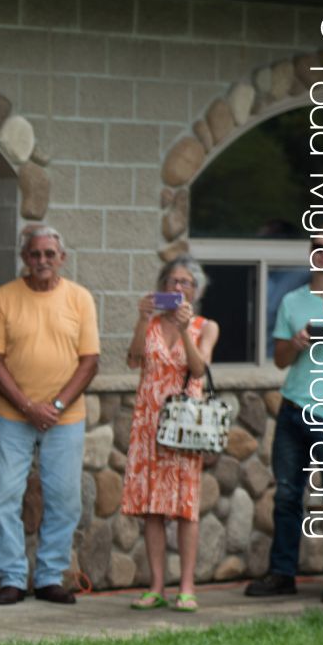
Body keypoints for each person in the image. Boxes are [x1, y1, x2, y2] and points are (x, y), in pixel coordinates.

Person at [246, 230, 323, 603]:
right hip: (293, 409)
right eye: (319, 249)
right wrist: (298, 343)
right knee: (286, 495)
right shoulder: (293, 300)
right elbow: (280, 359)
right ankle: (282, 573)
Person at [0, 226, 100, 606]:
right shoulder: (3, 298)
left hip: (64, 419)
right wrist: (29, 407)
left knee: (65, 499)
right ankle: (12, 577)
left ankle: (49, 576)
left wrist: (56, 406)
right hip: (10, 416)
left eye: (50, 254)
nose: (42, 261)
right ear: (25, 259)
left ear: (62, 258)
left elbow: (90, 361)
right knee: (4, 497)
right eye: (35, 254)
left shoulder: (80, 299)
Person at [123, 258, 220, 611]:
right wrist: (141, 318)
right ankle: (156, 587)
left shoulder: (205, 326)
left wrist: (182, 331)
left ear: (196, 291)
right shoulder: (150, 324)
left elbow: (198, 369)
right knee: (152, 509)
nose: (179, 288)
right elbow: (133, 360)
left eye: (187, 283)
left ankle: (187, 587)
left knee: (184, 509)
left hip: (184, 426)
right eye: (173, 281)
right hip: (149, 424)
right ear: (162, 286)